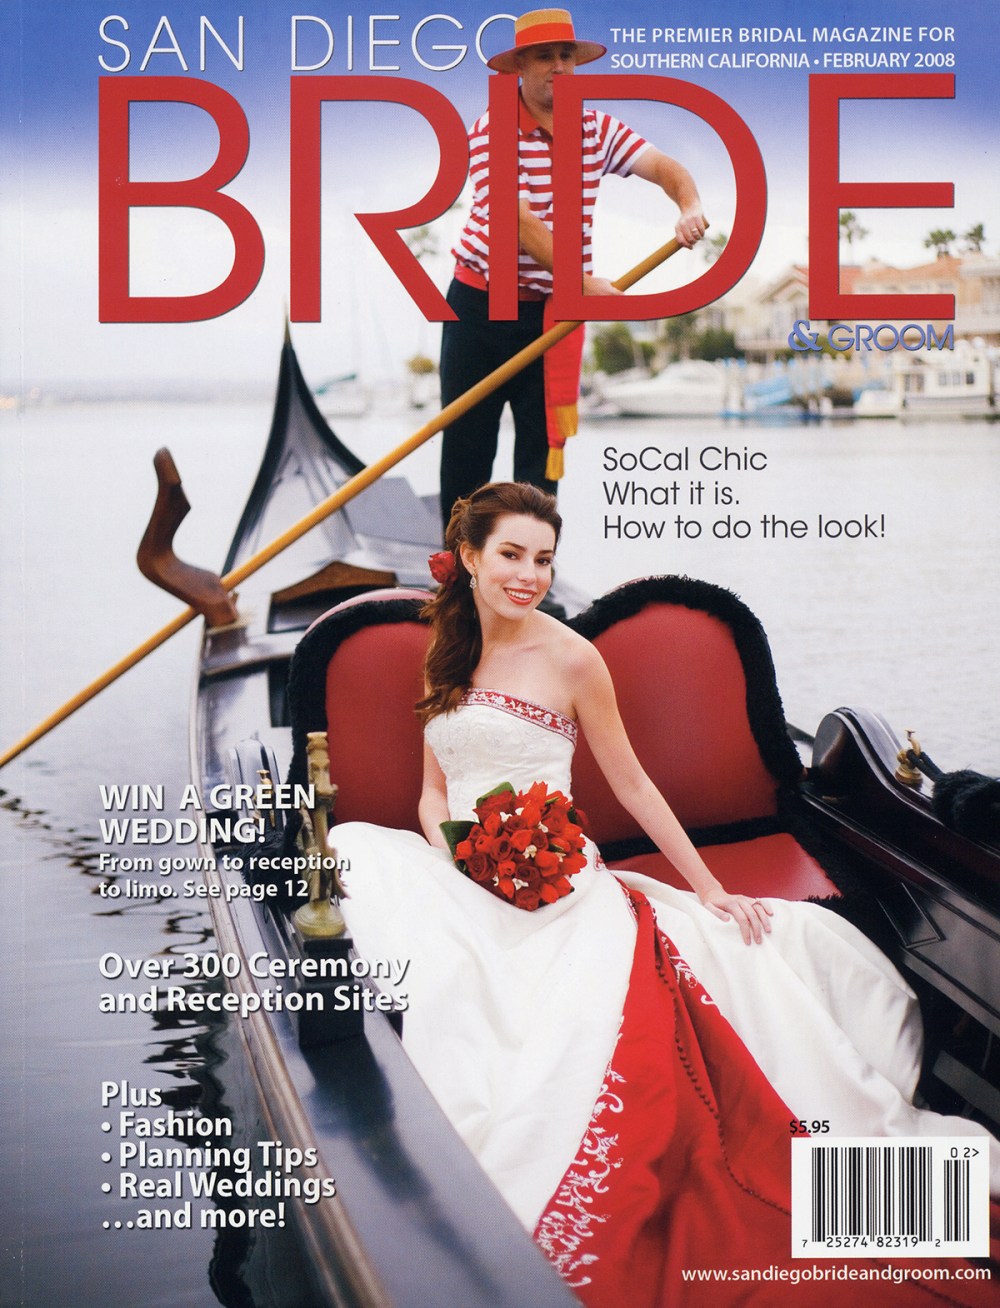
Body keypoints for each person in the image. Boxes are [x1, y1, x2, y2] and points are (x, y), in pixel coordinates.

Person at [332, 483, 999, 1306]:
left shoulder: (573, 658)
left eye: (544, 559)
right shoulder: (446, 645)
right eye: (511, 555)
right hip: (468, 868)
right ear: (468, 556)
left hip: (560, 882)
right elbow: (433, 794)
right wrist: (460, 858)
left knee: (568, 1032)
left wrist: (709, 888)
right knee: (359, 859)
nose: (529, 575)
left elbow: (635, 786)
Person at [438, 8, 706, 528]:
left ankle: (533, 565)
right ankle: (458, 567)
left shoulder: (596, 128)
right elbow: (516, 221)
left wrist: (688, 205)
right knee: (468, 452)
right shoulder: (492, 128)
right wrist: (582, 284)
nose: (559, 67)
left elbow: (663, 166)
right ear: (520, 66)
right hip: (480, 308)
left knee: (539, 466)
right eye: (545, 57)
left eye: (566, 56)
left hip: (551, 313)